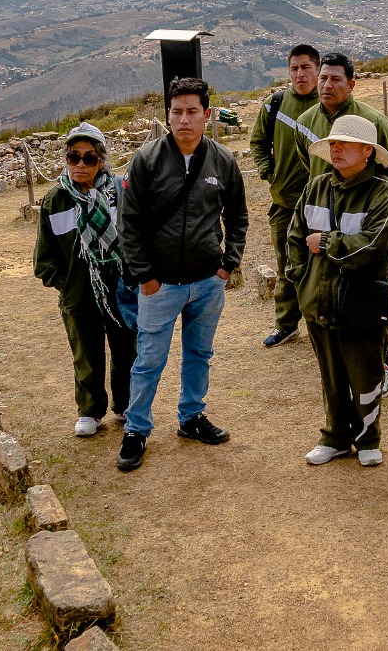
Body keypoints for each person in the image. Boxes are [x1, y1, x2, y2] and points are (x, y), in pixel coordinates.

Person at [115, 77, 249, 472]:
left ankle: (191, 418)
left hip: (208, 282)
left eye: (192, 112)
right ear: (167, 115)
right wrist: (146, 278)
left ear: (207, 115)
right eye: (177, 112)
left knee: (199, 354)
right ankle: (136, 430)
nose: (184, 120)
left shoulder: (223, 160)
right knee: (148, 360)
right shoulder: (147, 160)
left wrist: (228, 265)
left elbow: (237, 216)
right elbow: (130, 223)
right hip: (161, 286)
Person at [288, 115, 388, 466]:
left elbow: (371, 247)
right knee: (331, 375)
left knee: (365, 372)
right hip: (317, 299)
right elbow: (294, 236)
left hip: (362, 301)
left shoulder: (383, 192)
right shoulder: (316, 187)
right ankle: (335, 437)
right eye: (333, 143)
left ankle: (369, 439)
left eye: (345, 143)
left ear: (367, 151)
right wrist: (301, 278)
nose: (335, 149)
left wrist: (325, 242)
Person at [33, 122, 138, 438]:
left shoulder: (120, 191)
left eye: (89, 158)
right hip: (80, 292)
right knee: (87, 354)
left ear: (101, 160)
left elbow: (136, 234)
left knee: (126, 350)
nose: (80, 165)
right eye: (73, 157)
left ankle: (126, 405)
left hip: (120, 288)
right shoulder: (56, 200)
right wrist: (64, 282)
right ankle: (90, 411)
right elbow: (45, 254)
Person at [250, 44, 322, 348]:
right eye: (294, 68)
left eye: (306, 67)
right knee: (286, 267)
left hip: (322, 204)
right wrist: (270, 173)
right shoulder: (275, 103)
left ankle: (323, 328)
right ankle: (286, 324)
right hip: (284, 202)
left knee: (323, 269)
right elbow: (258, 142)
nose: (300, 74)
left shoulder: (329, 104)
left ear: (317, 69)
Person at [295, 52, 388, 183]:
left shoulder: (375, 121)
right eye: (323, 78)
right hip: (321, 200)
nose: (327, 85)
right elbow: (309, 165)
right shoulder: (304, 122)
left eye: (335, 79)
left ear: (351, 86)